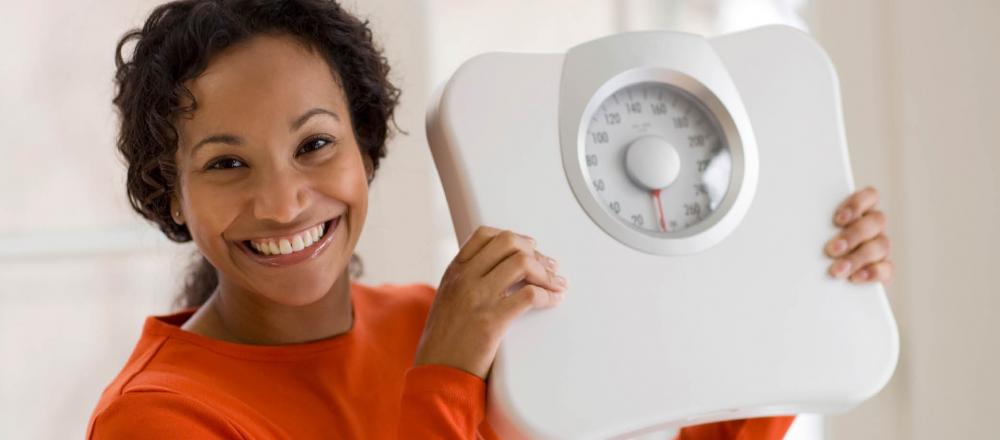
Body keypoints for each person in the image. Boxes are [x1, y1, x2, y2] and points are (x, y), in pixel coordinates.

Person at [86, 0, 895, 438]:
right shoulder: (156, 419)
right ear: (169, 192)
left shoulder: (445, 324)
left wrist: (797, 277)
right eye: (226, 163)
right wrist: (443, 380)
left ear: (365, 149)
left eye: (315, 145)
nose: (284, 201)